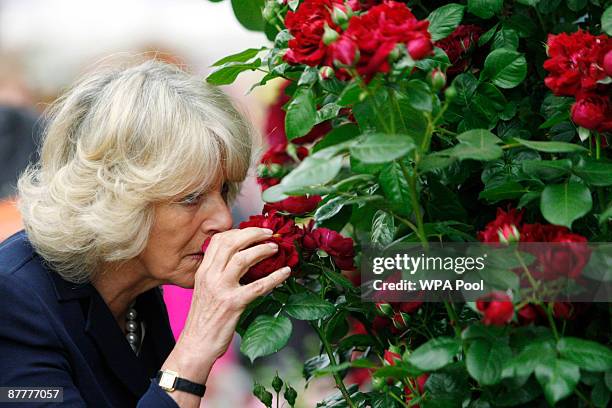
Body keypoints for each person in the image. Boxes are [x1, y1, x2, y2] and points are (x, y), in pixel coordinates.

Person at [0, 60, 292, 407]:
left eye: (224, 190)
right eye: (191, 197)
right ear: (117, 198)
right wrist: (195, 349)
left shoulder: (137, 288)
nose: (224, 219)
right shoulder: (13, 299)